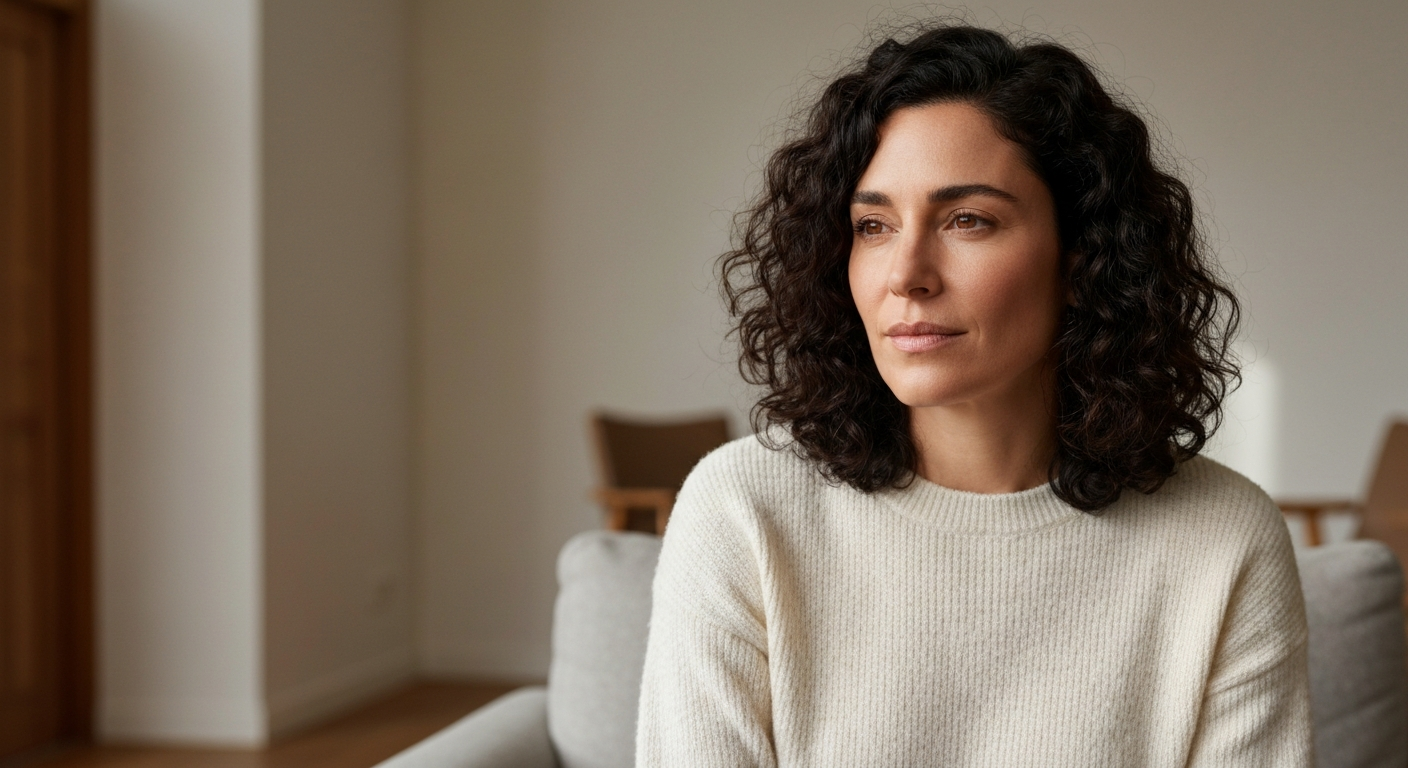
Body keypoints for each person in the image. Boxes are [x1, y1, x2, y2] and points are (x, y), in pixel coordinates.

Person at [634, 22, 1312, 768]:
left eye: (968, 220)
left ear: (1083, 254)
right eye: (873, 225)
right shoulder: (742, 510)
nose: (907, 273)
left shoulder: (1225, 540)